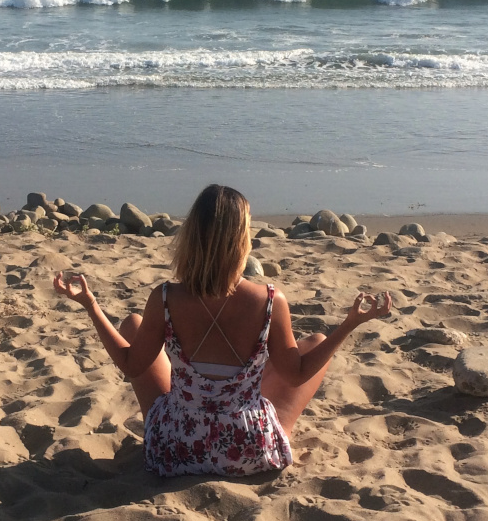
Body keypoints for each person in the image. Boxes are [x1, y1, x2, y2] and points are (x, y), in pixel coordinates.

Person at [53, 184, 392, 478]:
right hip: (247, 450)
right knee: (314, 343)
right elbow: (296, 373)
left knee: (132, 325)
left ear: (192, 238)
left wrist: (91, 306)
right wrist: (349, 324)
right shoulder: (270, 301)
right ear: (241, 240)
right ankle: (268, 429)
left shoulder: (166, 298)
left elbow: (131, 365)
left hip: (176, 448)